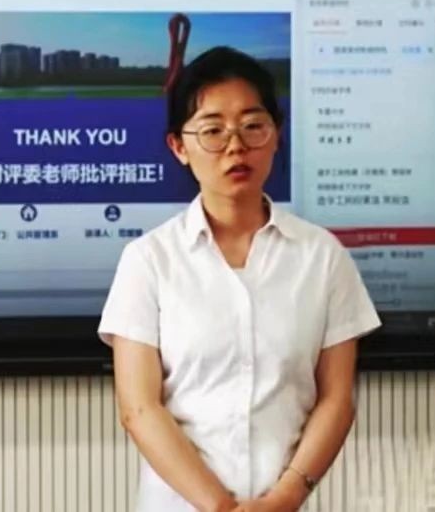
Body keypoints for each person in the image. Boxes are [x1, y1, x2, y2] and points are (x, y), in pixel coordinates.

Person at [99, 47, 381, 511]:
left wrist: (286, 496)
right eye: (213, 130)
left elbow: (336, 399)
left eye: (252, 126)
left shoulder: (322, 256)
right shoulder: (148, 260)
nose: (235, 146)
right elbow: (140, 408)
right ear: (179, 147)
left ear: (276, 135)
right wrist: (220, 507)